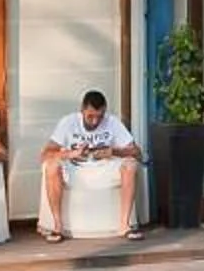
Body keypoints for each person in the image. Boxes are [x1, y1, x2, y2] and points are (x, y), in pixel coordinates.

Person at [40, 89, 141, 243]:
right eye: (90, 116)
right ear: (82, 110)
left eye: (99, 117)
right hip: (75, 168)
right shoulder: (69, 122)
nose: (95, 121)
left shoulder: (112, 122)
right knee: (52, 166)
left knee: (130, 165)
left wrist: (114, 151)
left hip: (104, 167)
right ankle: (57, 226)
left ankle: (124, 225)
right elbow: (45, 155)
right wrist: (70, 154)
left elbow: (136, 152)